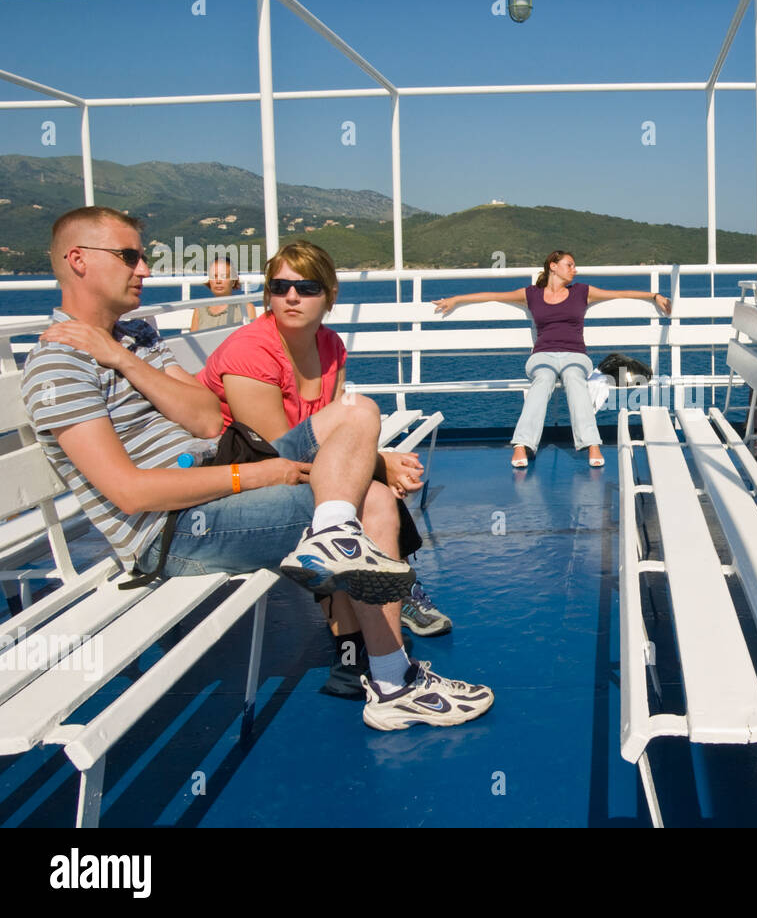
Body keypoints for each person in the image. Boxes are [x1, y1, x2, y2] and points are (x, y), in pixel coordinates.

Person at [22, 206, 490, 731]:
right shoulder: (60, 365)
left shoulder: (135, 339)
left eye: (144, 257)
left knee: (358, 411)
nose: (146, 270)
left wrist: (123, 359)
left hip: (217, 483)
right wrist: (253, 477)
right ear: (78, 260)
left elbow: (203, 417)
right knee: (373, 499)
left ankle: (335, 539)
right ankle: (392, 682)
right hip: (172, 529)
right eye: (130, 256)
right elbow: (130, 493)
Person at [197, 241, 452, 689]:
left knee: (362, 484)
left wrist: (374, 462)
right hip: (239, 477)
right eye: (281, 287)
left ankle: (358, 656)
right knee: (363, 492)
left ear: (329, 295)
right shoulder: (251, 353)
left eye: (307, 286)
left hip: (290, 464)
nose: (292, 297)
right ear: (268, 295)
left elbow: (333, 440)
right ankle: (372, 633)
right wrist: (376, 465)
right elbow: (279, 457)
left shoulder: (329, 345)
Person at [433, 250, 671, 469]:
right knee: (543, 378)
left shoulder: (582, 292)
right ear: (553, 266)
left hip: (575, 355)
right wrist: (456, 300)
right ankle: (521, 444)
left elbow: (620, 293)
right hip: (542, 356)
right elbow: (494, 295)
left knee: (574, 378)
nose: (574, 270)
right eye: (570, 265)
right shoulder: (531, 294)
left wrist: (654, 295)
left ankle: (591, 443)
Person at [190, 256, 256, 331]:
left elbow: (252, 339)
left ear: (233, 281)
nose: (218, 281)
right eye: (214, 276)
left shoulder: (246, 308)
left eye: (224, 276)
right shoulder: (199, 310)